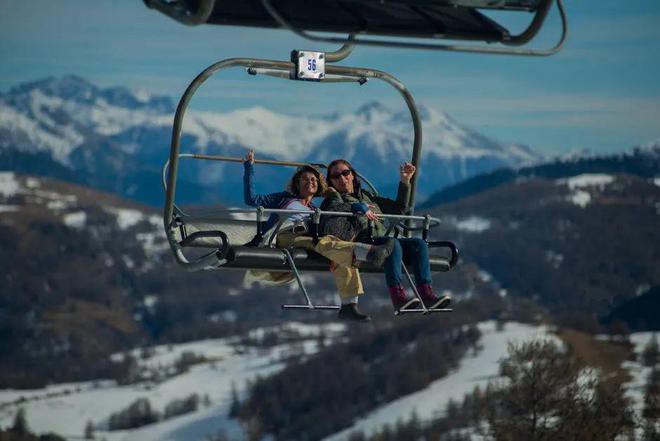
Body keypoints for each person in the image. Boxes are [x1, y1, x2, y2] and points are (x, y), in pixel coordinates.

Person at [243, 149, 394, 321]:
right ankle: (369, 253)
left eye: (314, 180)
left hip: (310, 237)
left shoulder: (315, 209)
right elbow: (251, 199)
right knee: (323, 243)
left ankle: (349, 304)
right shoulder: (285, 198)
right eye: (305, 179)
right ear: (297, 183)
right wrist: (249, 168)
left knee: (338, 254)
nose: (310, 182)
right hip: (287, 235)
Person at [321, 158, 451, 314]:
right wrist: (355, 207)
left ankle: (427, 295)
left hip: (382, 238)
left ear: (353, 175)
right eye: (336, 176)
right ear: (331, 182)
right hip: (362, 241)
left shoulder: (367, 196)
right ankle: (398, 297)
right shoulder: (333, 200)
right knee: (391, 244)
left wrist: (405, 181)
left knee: (418, 244)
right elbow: (331, 215)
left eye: (345, 173)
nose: (342, 178)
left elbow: (399, 209)